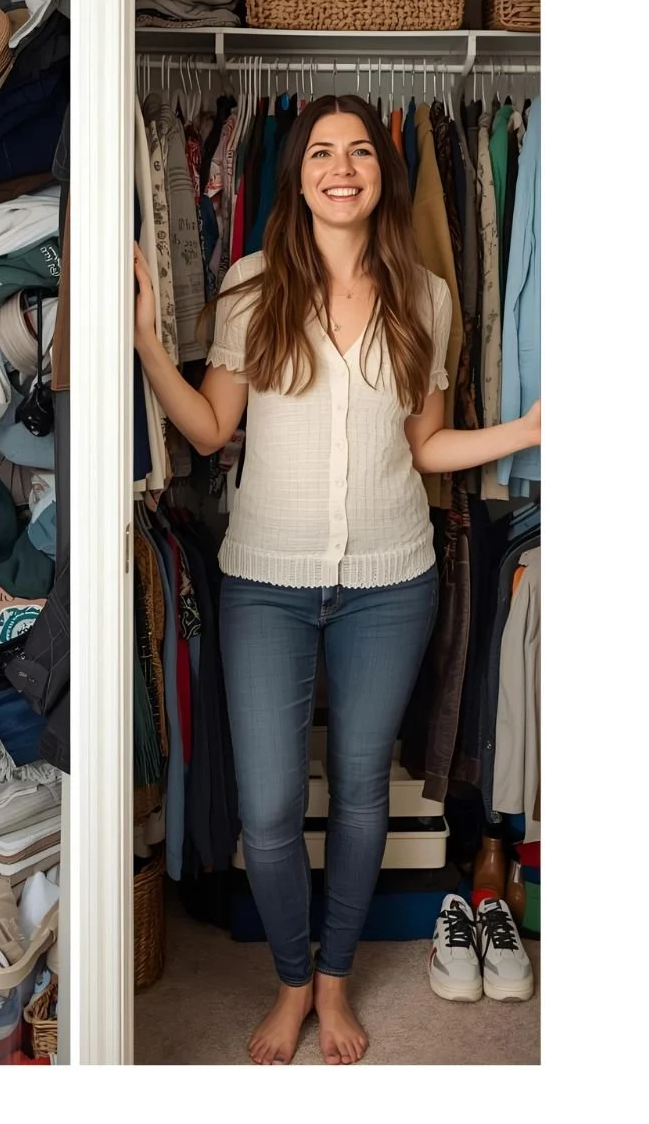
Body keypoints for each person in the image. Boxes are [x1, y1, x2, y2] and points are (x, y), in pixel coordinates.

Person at [133, 94, 540, 1066]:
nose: (343, 165)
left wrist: (530, 431)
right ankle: (287, 980)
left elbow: (429, 444)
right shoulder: (249, 285)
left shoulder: (427, 295)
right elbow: (209, 432)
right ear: (299, 173)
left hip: (392, 583)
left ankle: (334, 980)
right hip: (264, 584)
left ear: (382, 174)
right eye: (323, 151)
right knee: (271, 808)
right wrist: (148, 340)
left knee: (360, 792)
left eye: (360, 150)